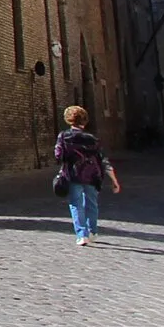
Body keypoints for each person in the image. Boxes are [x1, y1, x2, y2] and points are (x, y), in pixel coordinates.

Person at [55, 105, 120, 245]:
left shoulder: (64, 136)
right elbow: (103, 160)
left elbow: (58, 155)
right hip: (92, 175)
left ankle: (81, 235)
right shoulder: (93, 139)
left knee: (76, 204)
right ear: (84, 121)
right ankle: (93, 232)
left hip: (73, 174)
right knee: (92, 204)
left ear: (69, 120)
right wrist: (114, 180)